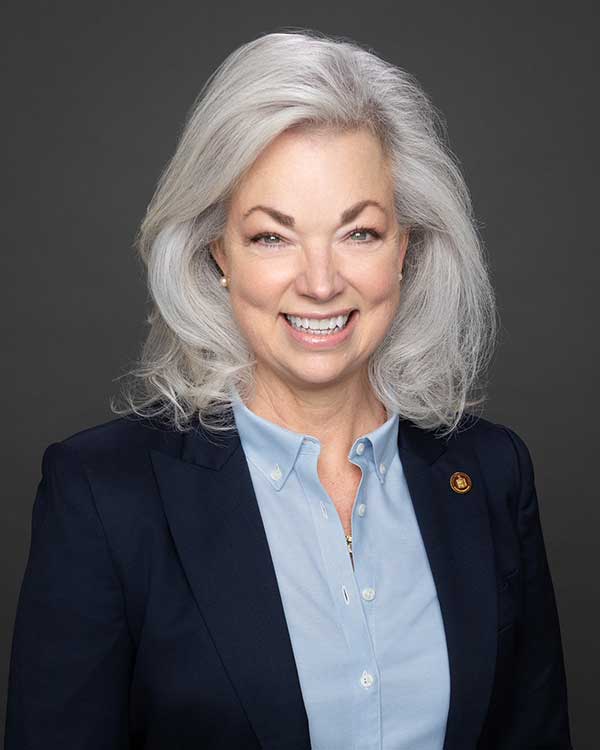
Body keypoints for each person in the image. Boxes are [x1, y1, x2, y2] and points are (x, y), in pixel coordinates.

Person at [5, 29, 573, 750]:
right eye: (273, 237)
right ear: (219, 254)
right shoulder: (103, 496)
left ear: (408, 247)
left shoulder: (491, 475)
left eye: (358, 233)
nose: (320, 280)